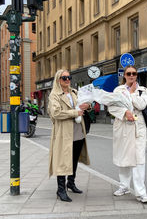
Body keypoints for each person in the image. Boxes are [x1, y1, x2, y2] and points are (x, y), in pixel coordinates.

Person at [108, 65, 147, 203]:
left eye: (134, 73)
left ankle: (141, 193)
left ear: (137, 75)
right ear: (124, 75)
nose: (131, 76)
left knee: (139, 160)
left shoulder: (142, 90)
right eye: (129, 73)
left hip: (138, 129)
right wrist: (124, 113)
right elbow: (112, 107)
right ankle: (124, 186)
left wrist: (132, 93)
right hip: (123, 127)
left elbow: (142, 105)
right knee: (124, 159)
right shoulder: (118, 90)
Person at [48, 69, 90, 202]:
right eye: (64, 77)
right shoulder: (54, 95)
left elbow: (83, 105)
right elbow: (56, 113)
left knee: (74, 159)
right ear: (58, 79)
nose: (67, 80)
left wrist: (87, 106)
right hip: (63, 133)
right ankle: (61, 190)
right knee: (62, 160)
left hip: (78, 130)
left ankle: (71, 183)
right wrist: (74, 113)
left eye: (68, 77)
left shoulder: (74, 92)